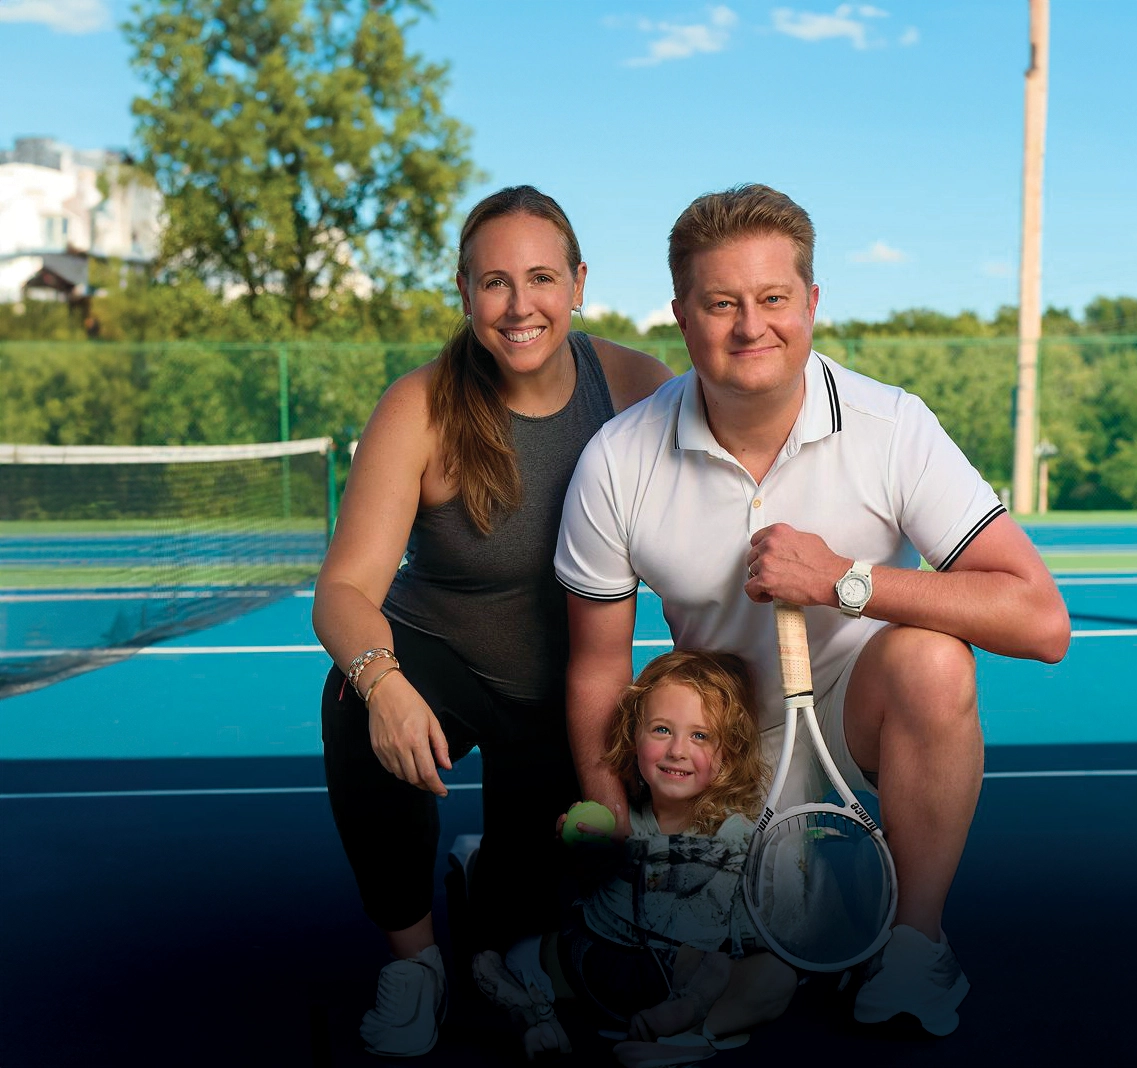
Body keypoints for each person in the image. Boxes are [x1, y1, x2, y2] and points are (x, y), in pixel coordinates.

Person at [555, 184, 1071, 1038]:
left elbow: (1040, 621)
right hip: (709, 744)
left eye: (772, 299)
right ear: (682, 317)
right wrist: (619, 827)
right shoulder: (616, 459)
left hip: (853, 717)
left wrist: (843, 579)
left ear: (812, 304)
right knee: (706, 976)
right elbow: (598, 666)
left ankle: (914, 946)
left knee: (932, 660)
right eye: (720, 303)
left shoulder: (892, 426)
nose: (749, 326)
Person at [313, 185, 672, 1058]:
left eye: (542, 278)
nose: (521, 306)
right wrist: (385, 685)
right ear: (466, 292)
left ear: (578, 283)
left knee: (543, 903)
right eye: (496, 283)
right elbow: (343, 592)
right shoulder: (421, 405)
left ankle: (489, 873)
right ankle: (415, 966)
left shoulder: (634, 385)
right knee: (354, 708)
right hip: (440, 664)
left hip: (567, 688)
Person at [470, 649, 797, 1067]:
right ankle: (539, 1019)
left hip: (688, 974)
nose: (677, 750)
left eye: (700, 736)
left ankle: (686, 1032)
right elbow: (581, 888)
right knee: (506, 957)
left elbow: (750, 930)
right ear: (633, 736)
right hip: (602, 965)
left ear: (727, 755)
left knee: (774, 975)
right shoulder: (615, 821)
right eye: (662, 729)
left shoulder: (738, 837)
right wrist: (579, 849)